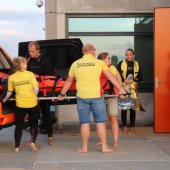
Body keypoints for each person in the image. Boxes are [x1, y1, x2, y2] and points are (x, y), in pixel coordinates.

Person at [58, 44, 124, 153]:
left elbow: (69, 81)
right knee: (100, 122)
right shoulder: (99, 63)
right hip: (97, 97)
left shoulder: (75, 64)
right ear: (92, 51)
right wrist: (120, 89)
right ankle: (104, 147)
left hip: (82, 97)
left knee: (84, 123)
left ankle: (84, 147)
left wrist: (61, 94)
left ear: (83, 52)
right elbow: (111, 77)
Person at [2, 57, 39, 153]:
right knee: (34, 124)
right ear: (21, 65)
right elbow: (36, 88)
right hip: (32, 104)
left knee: (18, 126)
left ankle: (17, 147)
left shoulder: (12, 77)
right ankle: (33, 143)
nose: (26, 64)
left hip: (20, 105)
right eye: (25, 63)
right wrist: (34, 96)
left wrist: (4, 100)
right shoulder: (30, 74)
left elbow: (9, 92)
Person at [27, 41, 54, 145]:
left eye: (32, 51)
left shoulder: (45, 60)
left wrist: (37, 78)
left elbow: (50, 77)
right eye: (29, 51)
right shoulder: (28, 59)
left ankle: (50, 137)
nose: (30, 53)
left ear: (38, 50)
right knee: (32, 115)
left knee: (46, 114)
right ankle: (32, 139)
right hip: (31, 92)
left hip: (43, 91)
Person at [97, 52, 122, 147]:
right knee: (101, 120)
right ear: (102, 60)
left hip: (111, 96)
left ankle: (116, 141)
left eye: (109, 58)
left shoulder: (112, 68)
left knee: (113, 118)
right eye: (108, 58)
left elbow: (119, 78)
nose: (109, 60)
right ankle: (101, 140)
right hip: (99, 96)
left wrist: (120, 91)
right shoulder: (97, 68)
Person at [117, 49, 142, 135]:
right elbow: (116, 75)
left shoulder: (137, 64)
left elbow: (141, 77)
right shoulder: (121, 64)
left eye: (130, 54)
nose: (128, 56)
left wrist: (133, 80)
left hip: (133, 88)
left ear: (133, 55)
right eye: (127, 54)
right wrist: (124, 80)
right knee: (124, 108)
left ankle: (132, 127)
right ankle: (124, 127)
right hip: (123, 88)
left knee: (132, 108)